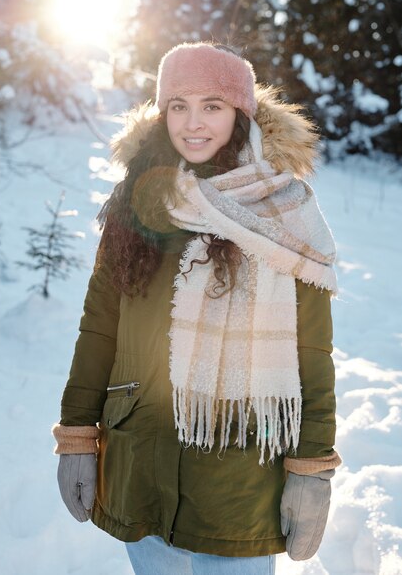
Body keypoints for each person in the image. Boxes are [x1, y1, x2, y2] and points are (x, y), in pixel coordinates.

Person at [52, 42, 341, 575]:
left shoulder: (286, 211)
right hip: (139, 460)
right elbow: (99, 329)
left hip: (240, 478)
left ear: (242, 113)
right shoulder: (136, 200)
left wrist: (311, 468)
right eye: (179, 104)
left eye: (213, 105)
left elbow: (311, 351)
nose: (193, 123)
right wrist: (76, 433)